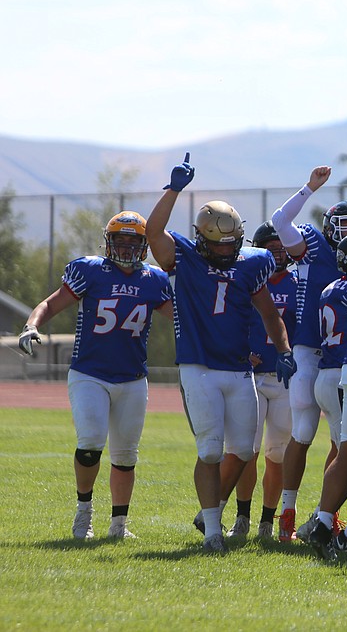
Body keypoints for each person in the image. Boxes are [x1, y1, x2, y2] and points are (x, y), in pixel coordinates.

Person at [145, 153, 296, 554]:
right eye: (220, 244)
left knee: (245, 450)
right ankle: (213, 530)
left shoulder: (253, 264)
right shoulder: (185, 260)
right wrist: (174, 189)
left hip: (237, 368)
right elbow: (153, 231)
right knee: (210, 449)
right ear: (202, 240)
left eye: (233, 243)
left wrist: (282, 350)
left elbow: (269, 312)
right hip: (199, 365)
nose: (228, 251)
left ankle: (208, 515)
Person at [18, 211, 173, 541]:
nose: (127, 247)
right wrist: (32, 325)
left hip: (132, 376)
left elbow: (182, 319)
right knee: (90, 442)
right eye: (121, 240)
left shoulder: (154, 280)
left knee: (126, 454)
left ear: (144, 245)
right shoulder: (90, 271)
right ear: (108, 242)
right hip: (90, 373)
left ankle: (119, 524)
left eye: (134, 241)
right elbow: (52, 302)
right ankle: (84, 513)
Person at [269, 166, 347, 541]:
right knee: (304, 432)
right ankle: (289, 512)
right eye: (344, 224)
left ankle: (326, 515)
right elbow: (280, 221)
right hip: (310, 351)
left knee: (338, 440)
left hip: (339, 356)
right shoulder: (312, 245)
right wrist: (309, 188)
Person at [222, 221, 298, 539]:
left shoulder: (299, 284)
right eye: (272, 248)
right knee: (245, 451)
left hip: (284, 380)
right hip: (249, 376)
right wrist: (240, 351)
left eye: (283, 247)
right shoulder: (245, 279)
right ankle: (242, 517)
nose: (278, 253)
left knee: (277, 454)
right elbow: (225, 321)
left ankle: (268, 521)